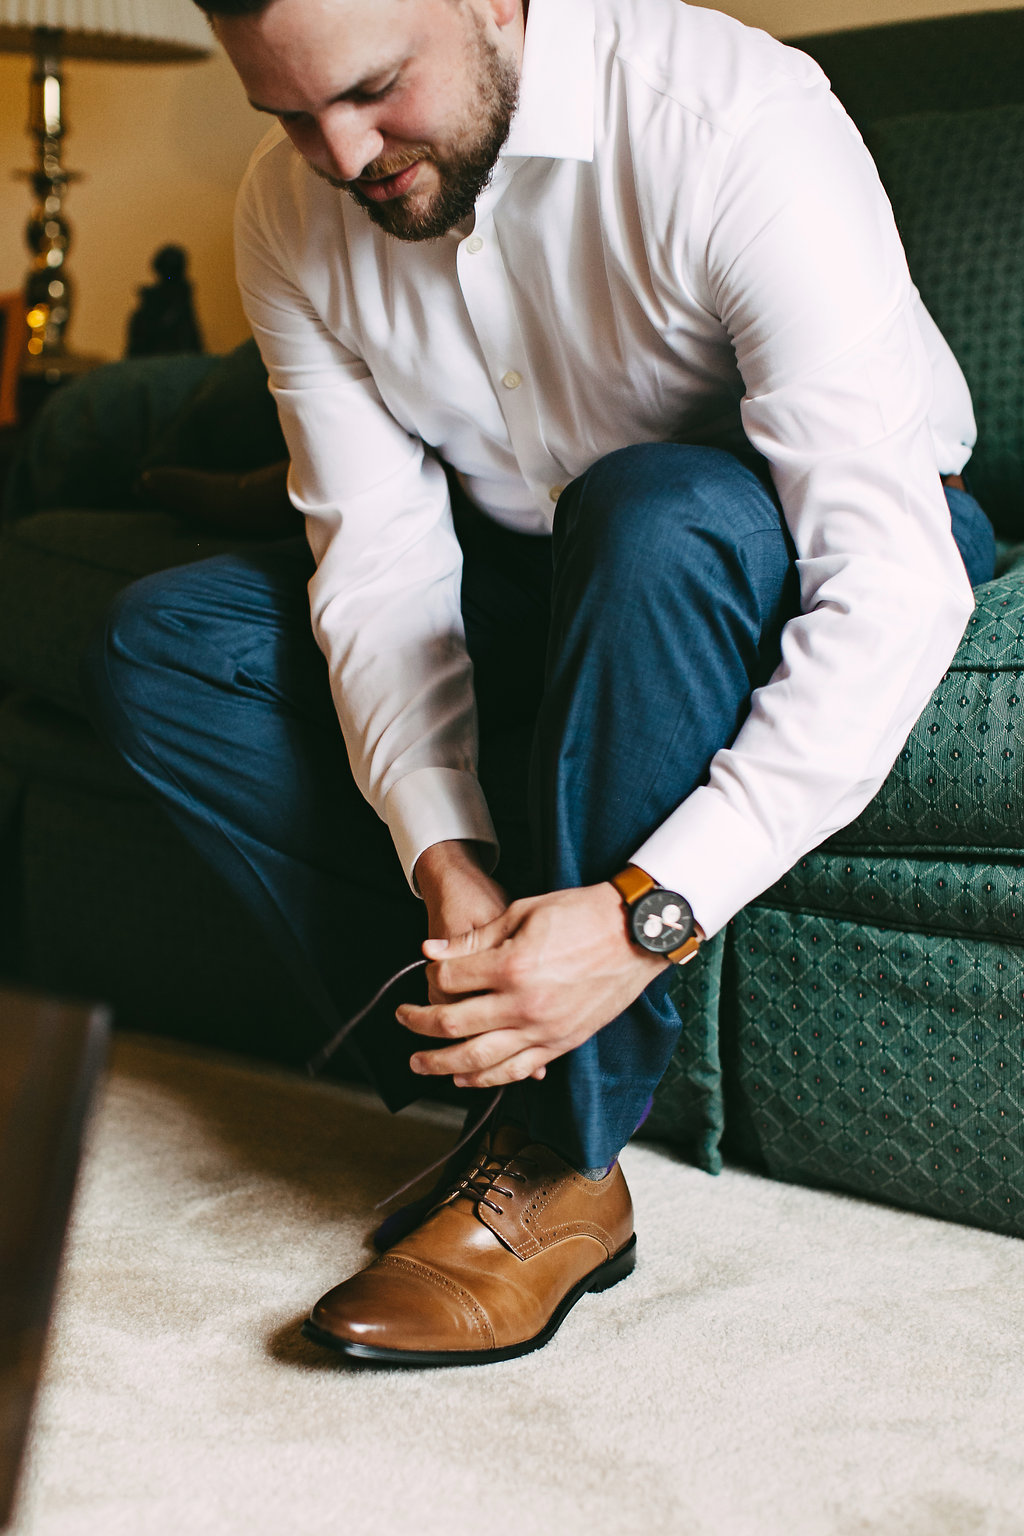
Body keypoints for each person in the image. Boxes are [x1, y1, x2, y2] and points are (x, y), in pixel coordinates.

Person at [85, 0, 995, 1367]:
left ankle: (558, 1161)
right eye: (286, 111)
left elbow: (892, 576)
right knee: (161, 641)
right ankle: (496, 1049)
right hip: (532, 560)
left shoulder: (729, 116)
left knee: (649, 514)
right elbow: (384, 568)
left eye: (374, 90)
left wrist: (641, 918)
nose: (337, 153)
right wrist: (441, 853)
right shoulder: (290, 206)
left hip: (783, 536)